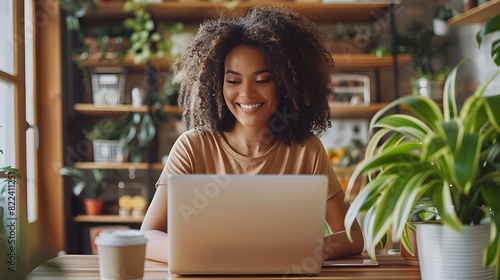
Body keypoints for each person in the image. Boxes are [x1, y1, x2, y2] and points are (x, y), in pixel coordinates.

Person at [141, 6, 365, 263]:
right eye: (233, 81)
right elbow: (148, 235)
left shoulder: (306, 150)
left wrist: (304, 251)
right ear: (217, 84)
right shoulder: (192, 147)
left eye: (262, 80)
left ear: (286, 84)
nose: (246, 94)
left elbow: (352, 236)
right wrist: (207, 255)